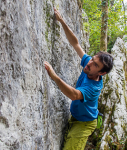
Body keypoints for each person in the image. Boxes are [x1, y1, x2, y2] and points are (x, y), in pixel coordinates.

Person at [44, 8, 114, 150]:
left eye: (95, 64)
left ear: (101, 73)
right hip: (77, 116)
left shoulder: (93, 88)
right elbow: (75, 44)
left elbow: (74, 95)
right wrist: (62, 21)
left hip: (85, 123)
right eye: (92, 59)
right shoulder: (89, 67)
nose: (89, 63)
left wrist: (54, 76)